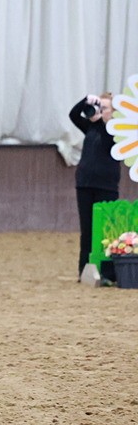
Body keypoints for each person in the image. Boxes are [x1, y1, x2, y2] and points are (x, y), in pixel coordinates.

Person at [69, 92, 120, 284]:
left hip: (106, 186)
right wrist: (86, 101)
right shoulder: (91, 127)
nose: (100, 111)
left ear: (114, 112)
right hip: (85, 184)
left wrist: (104, 122)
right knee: (87, 229)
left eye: (105, 108)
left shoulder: (117, 133)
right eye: (101, 107)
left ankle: (107, 271)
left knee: (106, 230)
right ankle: (84, 270)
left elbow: (109, 142)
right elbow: (73, 115)